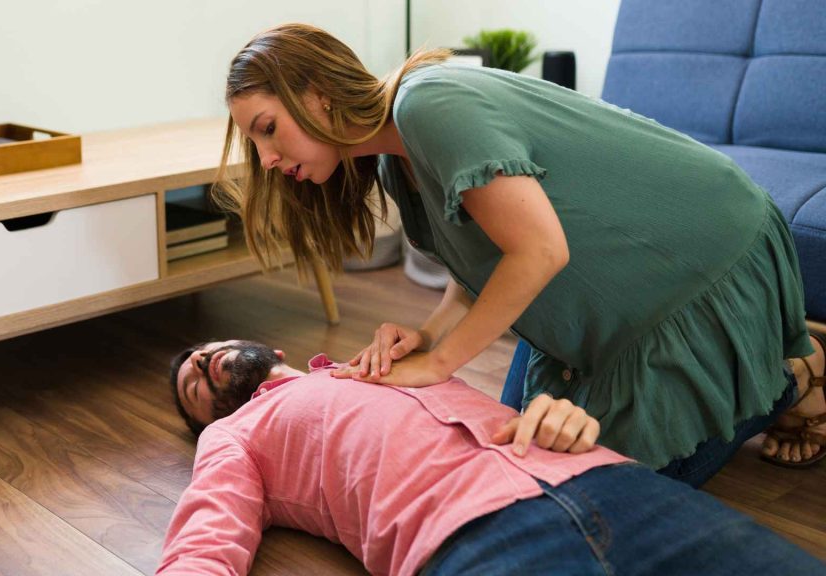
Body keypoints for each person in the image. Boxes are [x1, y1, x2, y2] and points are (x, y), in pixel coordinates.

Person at [212, 23, 826, 481]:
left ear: (317, 92)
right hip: (603, 304)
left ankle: (791, 374)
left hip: (704, 256)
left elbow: (538, 249)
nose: (265, 159)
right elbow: (481, 250)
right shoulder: (394, 159)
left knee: (600, 486)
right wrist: (429, 335)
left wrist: (439, 364)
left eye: (267, 128)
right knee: (518, 456)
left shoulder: (427, 103)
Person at [158, 339, 822, 575]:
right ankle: (795, 383)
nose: (198, 362)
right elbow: (206, 540)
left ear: (271, 350)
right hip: (474, 541)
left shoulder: (378, 365)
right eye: (193, 386)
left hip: (606, 479)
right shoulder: (235, 435)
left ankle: (789, 381)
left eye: (202, 351)